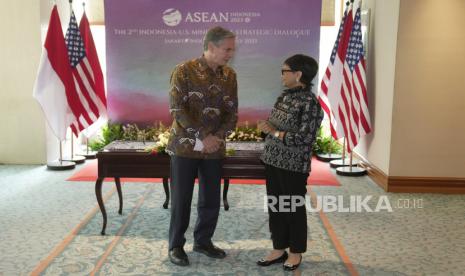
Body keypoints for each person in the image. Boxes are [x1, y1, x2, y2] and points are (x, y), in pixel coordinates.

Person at [165, 26, 238, 267]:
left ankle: (203, 241)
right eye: (227, 49)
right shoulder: (183, 71)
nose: (230, 54)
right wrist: (203, 136)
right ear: (211, 46)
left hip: (214, 148)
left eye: (232, 50)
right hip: (185, 146)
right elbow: (177, 109)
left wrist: (216, 137)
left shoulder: (230, 76)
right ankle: (175, 245)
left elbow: (231, 113)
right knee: (181, 198)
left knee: (211, 199)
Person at [257, 54, 323, 271]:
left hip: (294, 166)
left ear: (298, 74)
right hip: (273, 160)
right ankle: (278, 248)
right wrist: (266, 129)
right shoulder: (284, 97)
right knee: (276, 206)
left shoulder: (310, 103)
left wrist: (275, 132)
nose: (281, 75)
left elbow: (305, 139)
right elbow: (274, 126)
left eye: (284, 71)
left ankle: (295, 252)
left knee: (293, 207)